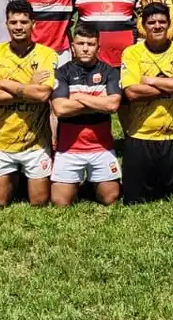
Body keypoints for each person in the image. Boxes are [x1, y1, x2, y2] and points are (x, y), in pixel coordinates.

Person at [0, 1, 59, 206]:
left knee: (39, 203)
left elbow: (42, 95)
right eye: (13, 22)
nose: (18, 26)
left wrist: (5, 85)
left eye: (24, 21)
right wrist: (27, 87)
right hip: (1, 141)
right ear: (6, 24)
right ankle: (13, 176)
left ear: (34, 23)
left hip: (36, 143)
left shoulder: (47, 54)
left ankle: (21, 177)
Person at [119, 3, 173, 204]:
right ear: (143, 26)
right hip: (141, 135)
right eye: (152, 22)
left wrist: (152, 80)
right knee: (134, 200)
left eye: (162, 22)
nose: (157, 26)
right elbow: (131, 92)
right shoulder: (131, 53)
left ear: (169, 24)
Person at [49, 24, 123, 206]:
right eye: (80, 43)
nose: (85, 48)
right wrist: (97, 101)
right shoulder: (62, 72)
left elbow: (113, 105)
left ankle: (92, 182)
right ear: (72, 46)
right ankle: (83, 181)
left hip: (101, 148)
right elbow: (60, 109)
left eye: (90, 44)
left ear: (98, 47)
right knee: (60, 202)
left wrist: (78, 97)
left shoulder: (110, 72)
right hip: (69, 149)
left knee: (111, 198)